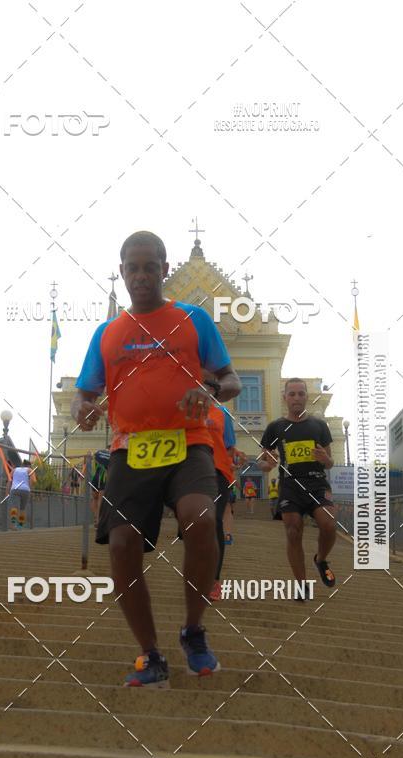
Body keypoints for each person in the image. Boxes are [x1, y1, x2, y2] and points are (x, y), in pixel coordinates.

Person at [71, 230, 241, 687]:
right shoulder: (107, 334)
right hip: (131, 449)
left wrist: (205, 390)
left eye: (151, 266)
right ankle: (150, 654)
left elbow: (231, 380)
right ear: (122, 271)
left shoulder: (193, 319)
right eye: (133, 267)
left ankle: (193, 631)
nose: (142, 275)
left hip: (189, 442)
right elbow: (83, 393)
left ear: (165, 270)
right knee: (122, 546)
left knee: (202, 519)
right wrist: (83, 408)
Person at [260, 378, 337, 597]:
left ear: (306, 397)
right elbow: (262, 463)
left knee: (329, 524)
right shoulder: (275, 427)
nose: (296, 398)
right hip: (290, 486)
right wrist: (269, 464)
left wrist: (325, 459)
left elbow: (330, 462)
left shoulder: (319, 426)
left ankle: (320, 559)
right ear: (285, 397)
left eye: (301, 393)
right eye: (292, 394)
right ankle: (302, 585)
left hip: (316, 483)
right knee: (293, 531)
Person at [200, 382, 247, 601]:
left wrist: (234, 457)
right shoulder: (180, 410)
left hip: (218, 471)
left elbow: (228, 447)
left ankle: (213, 580)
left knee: (214, 520)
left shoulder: (221, 413)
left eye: (208, 386)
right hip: (190, 472)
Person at [7, 459, 35, 529]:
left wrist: (7, 492)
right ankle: (20, 525)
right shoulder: (30, 470)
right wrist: (29, 489)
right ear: (29, 465)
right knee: (23, 509)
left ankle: (13, 525)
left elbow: (9, 481)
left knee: (14, 508)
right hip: (25, 490)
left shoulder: (14, 470)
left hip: (15, 489)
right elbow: (33, 480)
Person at [91, 446, 111, 524]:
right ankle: (99, 520)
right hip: (103, 477)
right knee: (100, 498)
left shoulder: (97, 453)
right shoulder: (112, 456)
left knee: (95, 498)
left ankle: (96, 517)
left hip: (95, 477)